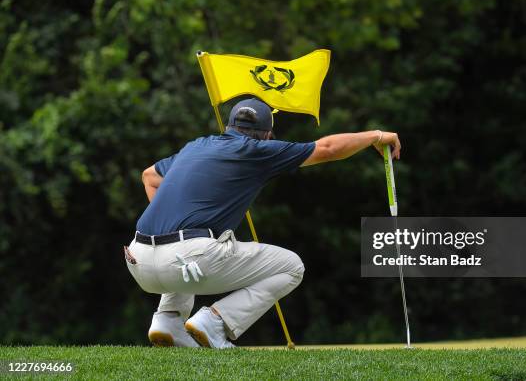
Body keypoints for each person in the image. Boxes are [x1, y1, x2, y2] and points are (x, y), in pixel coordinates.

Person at [125, 98, 401, 348]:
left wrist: (174, 231)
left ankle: (168, 320)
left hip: (138, 259)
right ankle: (214, 322)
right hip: (187, 259)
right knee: (292, 266)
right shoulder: (259, 150)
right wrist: (376, 135)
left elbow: (150, 176)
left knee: (192, 249)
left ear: (230, 126)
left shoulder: (197, 145)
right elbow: (327, 149)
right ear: (267, 135)